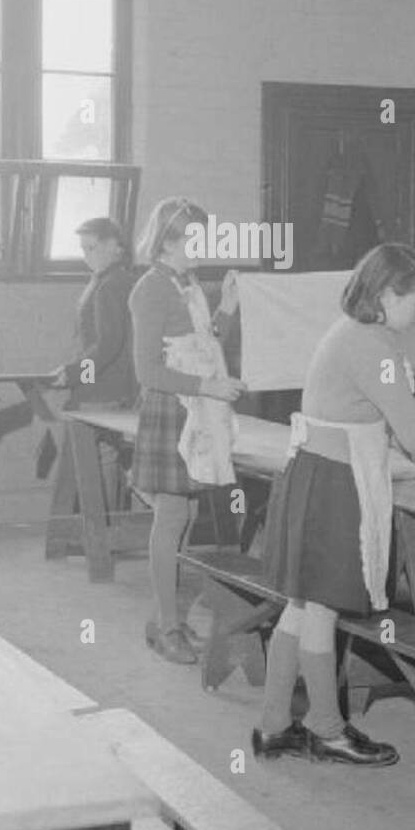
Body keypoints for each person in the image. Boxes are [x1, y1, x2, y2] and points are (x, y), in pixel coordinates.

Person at [253, 243, 415, 768]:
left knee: (301, 603)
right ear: (385, 295)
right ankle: (326, 729)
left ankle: (272, 725)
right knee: (322, 608)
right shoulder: (371, 347)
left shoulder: (361, 333)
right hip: (335, 483)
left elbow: (395, 426)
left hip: (318, 474)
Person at [129, 197, 245, 664]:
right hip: (170, 409)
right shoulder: (150, 289)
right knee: (173, 517)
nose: (207, 247)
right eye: (196, 239)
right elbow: (147, 372)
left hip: (197, 408)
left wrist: (228, 308)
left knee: (186, 518)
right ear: (168, 240)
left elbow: (206, 345)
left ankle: (163, 620)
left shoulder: (190, 284)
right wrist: (208, 387)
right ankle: (168, 627)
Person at [51, 218, 138, 408]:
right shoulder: (113, 279)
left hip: (101, 392)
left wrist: (75, 374)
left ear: (115, 247)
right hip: (108, 386)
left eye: (91, 248)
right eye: (83, 250)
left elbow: (108, 345)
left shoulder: (110, 285)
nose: (86, 257)